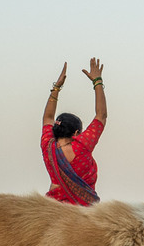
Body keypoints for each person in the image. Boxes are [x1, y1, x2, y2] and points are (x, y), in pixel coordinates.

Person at [42, 58, 107, 205]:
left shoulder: (48, 146)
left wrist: (56, 87)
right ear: (77, 133)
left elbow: (47, 117)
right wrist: (97, 81)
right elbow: (101, 115)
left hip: (52, 209)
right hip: (81, 214)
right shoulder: (81, 146)